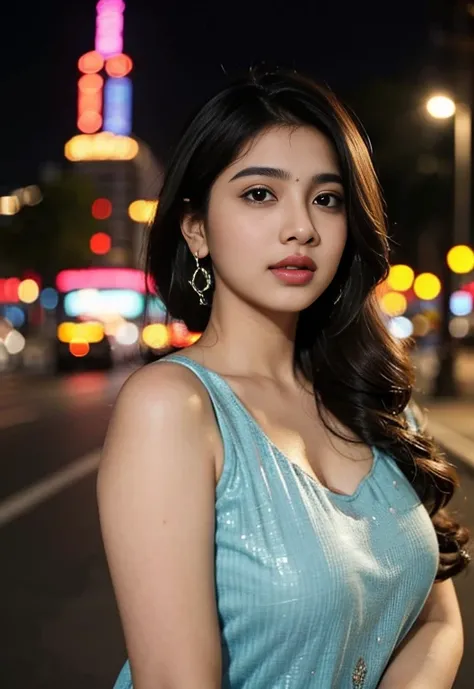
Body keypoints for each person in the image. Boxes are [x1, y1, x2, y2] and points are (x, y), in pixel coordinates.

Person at [97, 67, 470, 689]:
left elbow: (439, 622)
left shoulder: (375, 397)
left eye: (326, 199)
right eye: (260, 194)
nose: (302, 227)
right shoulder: (173, 406)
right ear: (196, 229)